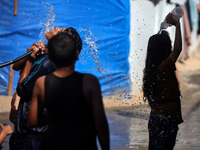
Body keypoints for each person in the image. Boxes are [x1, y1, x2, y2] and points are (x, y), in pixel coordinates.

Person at [28, 31, 110, 150]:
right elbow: (100, 122)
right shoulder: (89, 82)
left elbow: (33, 121)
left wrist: (57, 115)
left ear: (50, 56)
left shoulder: (41, 83)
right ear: (76, 54)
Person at [12, 27, 70, 150]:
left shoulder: (48, 63)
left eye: (59, 31)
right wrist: (30, 54)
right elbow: (15, 66)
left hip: (33, 131)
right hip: (30, 128)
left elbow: (22, 89)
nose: (56, 27)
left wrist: (29, 60)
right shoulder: (43, 53)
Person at [143, 13, 183, 150]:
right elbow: (178, 49)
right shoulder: (164, 67)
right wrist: (177, 25)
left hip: (156, 120)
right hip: (166, 121)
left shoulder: (150, 72)